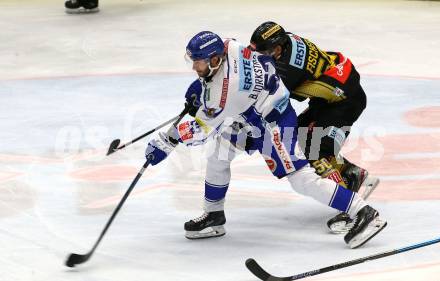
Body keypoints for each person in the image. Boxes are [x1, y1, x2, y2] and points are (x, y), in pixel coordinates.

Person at [145, 31, 387, 248]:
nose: (194, 68)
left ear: (215, 60)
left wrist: (167, 141)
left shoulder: (226, 94)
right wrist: (201, 89)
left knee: (301, 179)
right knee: (219, 152)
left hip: (272, 124)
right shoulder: (229, 46)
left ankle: (363, 212)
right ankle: (214, 216)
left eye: (198, 63)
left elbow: (200, 130)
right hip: (253, 111)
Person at [249, 21, 380, 233]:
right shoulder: (284, 42)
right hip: (332, 96)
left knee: (316, 150)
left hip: (344, 102)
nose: (259, 57)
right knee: (301, 139)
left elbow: (268, 97)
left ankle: (350, 207)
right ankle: (352, 173)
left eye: (264, 53)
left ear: (278, 49)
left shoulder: (287, 68)